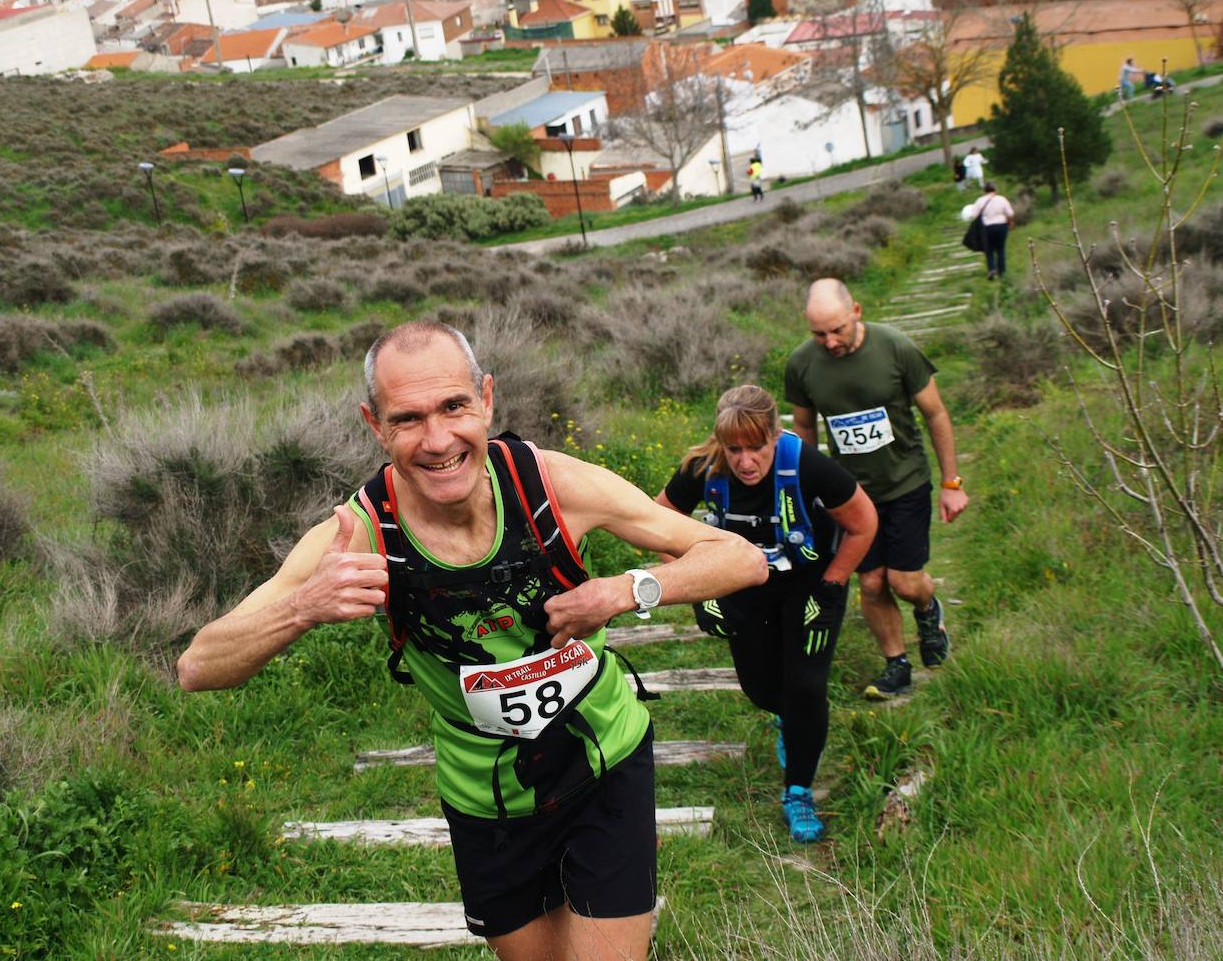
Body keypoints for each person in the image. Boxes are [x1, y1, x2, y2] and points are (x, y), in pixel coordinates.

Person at [176, 320, 768, 961]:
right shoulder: (362, 531)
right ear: (375, 426)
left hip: (604, 762)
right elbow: (197, 665)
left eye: (454, 406)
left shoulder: (551, 486)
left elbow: (741, 560)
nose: (438, 440)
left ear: (486, 399)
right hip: (488, 802)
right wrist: (301, 608)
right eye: (407, 419)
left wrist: (624, 590)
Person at [655, 386, 876, 843]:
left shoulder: (808, 465)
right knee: (761, 689)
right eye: (734, 450)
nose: (746, 461)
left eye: (757, 447)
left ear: (776, 436)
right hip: (744, 587)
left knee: (806, 687)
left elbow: (863, 523)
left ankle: (798, 791)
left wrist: (833, 587)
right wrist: (695, 586)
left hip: (809, 586)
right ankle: (785, 718)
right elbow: (658, 518)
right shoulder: (703, 467)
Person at [784, 280, 970, 701]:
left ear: (857, 312)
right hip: (851, 495)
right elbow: (805, 426)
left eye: (838, 329)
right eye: (819, 334)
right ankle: (897, 665)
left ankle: (927, 608)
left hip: (905, 482)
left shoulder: (895, 347)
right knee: (870, 584)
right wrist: (809, 491)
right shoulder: (800, 364)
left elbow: (936, 414)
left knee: (904, 582)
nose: (830, 341)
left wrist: (951, 483)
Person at [972, 181, 1014, 280]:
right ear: (995, 189)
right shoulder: (1001, 199)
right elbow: (1010, 213)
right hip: (1001, 226)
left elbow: (974, 215)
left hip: (986, 227)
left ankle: (991, 269)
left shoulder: (980, 201)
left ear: (985, 190)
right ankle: (1002, 271)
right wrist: (1010, 222)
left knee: (989, 249)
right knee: (1000, 249)